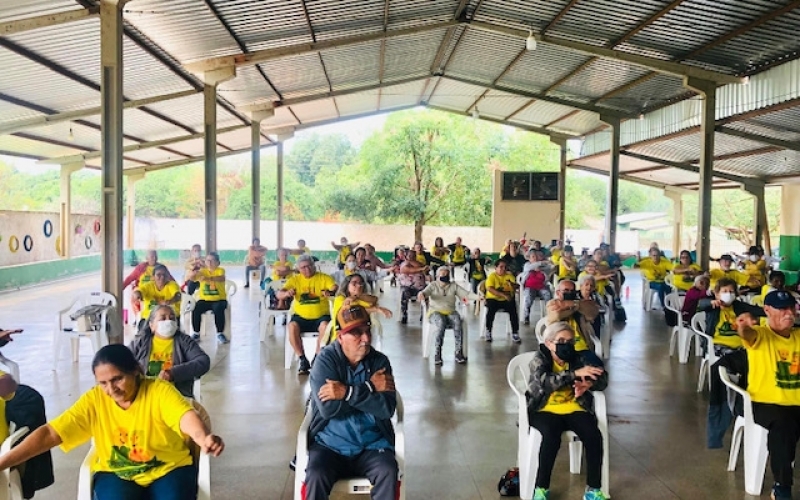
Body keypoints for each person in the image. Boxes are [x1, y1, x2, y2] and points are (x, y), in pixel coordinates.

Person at [0, 345, 223, 500]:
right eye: (103, 383)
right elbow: (51, 433)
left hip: (169, 468)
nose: (111, 389)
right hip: (115, 472)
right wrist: (4, 462)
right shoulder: (94, 400)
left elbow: (184, 416)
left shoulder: (159, 391)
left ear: (136, 371)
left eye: (117, 379)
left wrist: (203, 438)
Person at [304, 305, 398, 500]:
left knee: (388, 470)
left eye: (367, 331)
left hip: (372, 445)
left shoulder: (380, 362)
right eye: (356, 333)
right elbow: (328, 410)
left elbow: (386, 409)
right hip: (330, 445)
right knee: (316, 475)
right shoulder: (325, 361)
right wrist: (369, 388)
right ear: (340, 337)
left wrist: (346, 393)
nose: (366, 339)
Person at [527, 321, 608, 500]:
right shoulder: (539, 358)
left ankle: (593, 489)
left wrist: (589, 384)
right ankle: (541, 488)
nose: (567, 346)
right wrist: (573, 375)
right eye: (561, 341)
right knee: (550, 437)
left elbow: (603, 379)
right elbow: (543, 382)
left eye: (570, 341)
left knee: (593, 435)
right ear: (549, 343)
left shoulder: (578, 357)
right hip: (544, 409)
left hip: (574, 407)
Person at [735, 291, 800, 500]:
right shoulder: (761, 335)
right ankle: (782, 486)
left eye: (791, 308)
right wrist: (743, 326)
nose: (788, 313)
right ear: (767, 311)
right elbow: (747, 335)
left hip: (796, 403)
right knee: (784, 427)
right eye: (782, 309)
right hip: (767, 404)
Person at [129, 306, 210, 400]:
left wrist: (173, 373)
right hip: (144, 396)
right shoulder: (141, 342)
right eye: (163, 318)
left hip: (176, 397)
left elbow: (203, 362)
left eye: (172, 318)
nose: (168, 321)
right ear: (152, 325)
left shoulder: (184, 341)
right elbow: (121, 360)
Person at [277, 255, 337, 375]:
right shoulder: (295, 280)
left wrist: (330, 292)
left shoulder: (324, 278)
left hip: (321, 316)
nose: (307, 269)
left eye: (310, 266)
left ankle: (317, 358)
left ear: (314, 266)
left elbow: (334, 287)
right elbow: (279, 294)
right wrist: (286, 294)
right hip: (301, 317)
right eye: (303, 267)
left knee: (325, 326)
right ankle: (302, 359)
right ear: (298, 269)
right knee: (292, 326)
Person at [418, 267, 471, 365]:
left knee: (457, 320)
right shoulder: (433, 285)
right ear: (437, 276)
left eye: (447, 275)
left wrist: (479, 297)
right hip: (435, 312)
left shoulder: (453, 286)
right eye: (443, 275)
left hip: (450, 311)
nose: (445, 277)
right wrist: (421, 294)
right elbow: (425, 293)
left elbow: (466, 294)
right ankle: (437, 353)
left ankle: (458, 352)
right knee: (441, 322)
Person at [327, 274, 392, 347]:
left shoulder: (359, 299)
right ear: (347, 285)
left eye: (361, 283)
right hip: (344, 336)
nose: (358, 286)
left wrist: (357, 295)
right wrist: (376, 309)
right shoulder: (340, 298)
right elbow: (354, 312)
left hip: (361, 336)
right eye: (354, 283)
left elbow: (374, 299)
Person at [185, 251, 229, 344]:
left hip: (219, 299)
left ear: (218, 262)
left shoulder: (220, 270)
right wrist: (193, 271)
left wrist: (208, 279)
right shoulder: (202, 271)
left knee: (218, 309)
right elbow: (192, 279)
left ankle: (220, 333)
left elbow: (221, 278)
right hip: (205, 300)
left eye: (212, 260)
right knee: (196, 308)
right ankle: (196, 333)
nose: (209, 262)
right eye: (207, 260)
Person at [546, 280, 600, 355]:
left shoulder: (579, 303)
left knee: (597, 365)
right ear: (558, 293)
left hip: (583, 347)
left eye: (572, 291)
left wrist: (571, 304)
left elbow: (593, 312)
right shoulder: (553, 303)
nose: (569, 293)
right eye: (566, 290)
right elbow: (556, 316)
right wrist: (575, 308)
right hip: (562, 347)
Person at [136, 264, 181, 332]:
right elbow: (138, 291)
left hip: (169, 319)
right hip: (149, 318)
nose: (162, 277)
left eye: (164, 275)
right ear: (153, 277)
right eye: (158, 275)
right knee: (143, 334)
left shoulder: (172, 285)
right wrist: (137, 295)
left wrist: (170, 301)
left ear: (168, 276)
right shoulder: (148, 286)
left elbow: (178, 295)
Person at [484, 260, 520, 343]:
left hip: (506, 300)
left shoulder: (509, 276)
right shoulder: (492, 276)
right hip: (493, 299)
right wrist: (503, 295)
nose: (503, 269)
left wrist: (512, 285)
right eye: (501, 267)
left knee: (513, 309)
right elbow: (490, 289)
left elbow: (516, 286)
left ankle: (515, 332)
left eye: (505, 267)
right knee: (491, 310)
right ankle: (488, 331)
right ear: (495, 268)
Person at [520, 249, 554, 325]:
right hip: (529, 287)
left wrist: (541, 269)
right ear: (529, 258)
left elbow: (550, 269)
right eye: (532, 256)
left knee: (548, 294)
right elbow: (529, 268)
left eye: (536, 256)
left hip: (541, 287)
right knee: (528, 297)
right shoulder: (527, 265)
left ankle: (551, 315)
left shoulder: (543, 266)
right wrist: (541, 263)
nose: (535, 258)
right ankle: (526, 316)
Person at [397, 249, 429, 325]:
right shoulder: (403, 264)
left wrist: (416, 265)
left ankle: (424, 314)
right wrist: (420, 269)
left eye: (414, 256)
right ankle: (404, 314)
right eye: (410, 256)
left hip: (420, 287)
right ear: (406, 256)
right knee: (404, 292)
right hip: (408, 287)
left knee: (427, 291)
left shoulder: (419, 263)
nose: (412, 257)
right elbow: (408, 269)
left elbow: (425, 268)